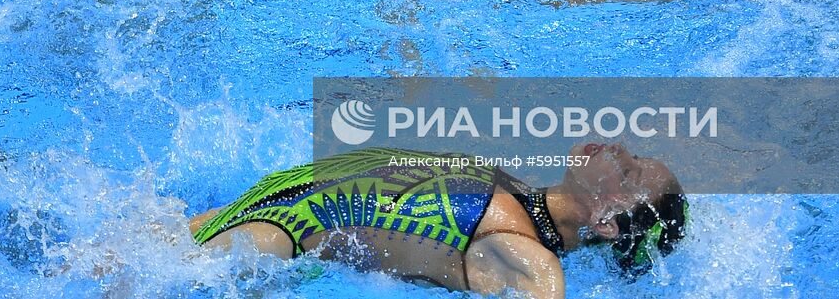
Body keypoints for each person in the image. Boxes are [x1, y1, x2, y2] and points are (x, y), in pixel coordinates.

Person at [189, 143, 686, 297]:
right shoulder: (513, 188)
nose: (618, 148)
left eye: (627, 169)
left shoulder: (528, 258)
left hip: (274, 243)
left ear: (606, 223)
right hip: (262, 203)